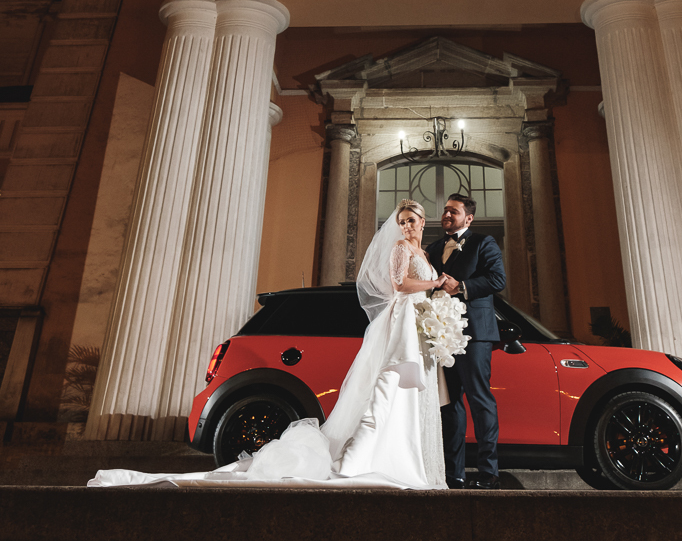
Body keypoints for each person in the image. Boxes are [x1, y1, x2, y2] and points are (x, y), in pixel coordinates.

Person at [89, 199, 459, 489]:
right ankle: (361, 462)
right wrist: (434, 284)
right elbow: (398, 286)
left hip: (414, 332)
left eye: (413, 220)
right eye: (403, 220)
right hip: (397, 331)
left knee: (403, 398)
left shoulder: (424, 254)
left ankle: (404, 460)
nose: (407, 225)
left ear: (422, 222)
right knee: (385, 393)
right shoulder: (400, 249)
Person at [427, 194, 507, 490]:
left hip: (474, 332)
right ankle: (454, 474)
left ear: (468, 218)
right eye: (445, 210)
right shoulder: (434, 248)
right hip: (440, 334)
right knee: (449, 404)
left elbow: (497, 280)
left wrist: (461, 286)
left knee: (479, 399)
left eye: (454, 211)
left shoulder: (484, 243)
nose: (447, 214)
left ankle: (489, 472)